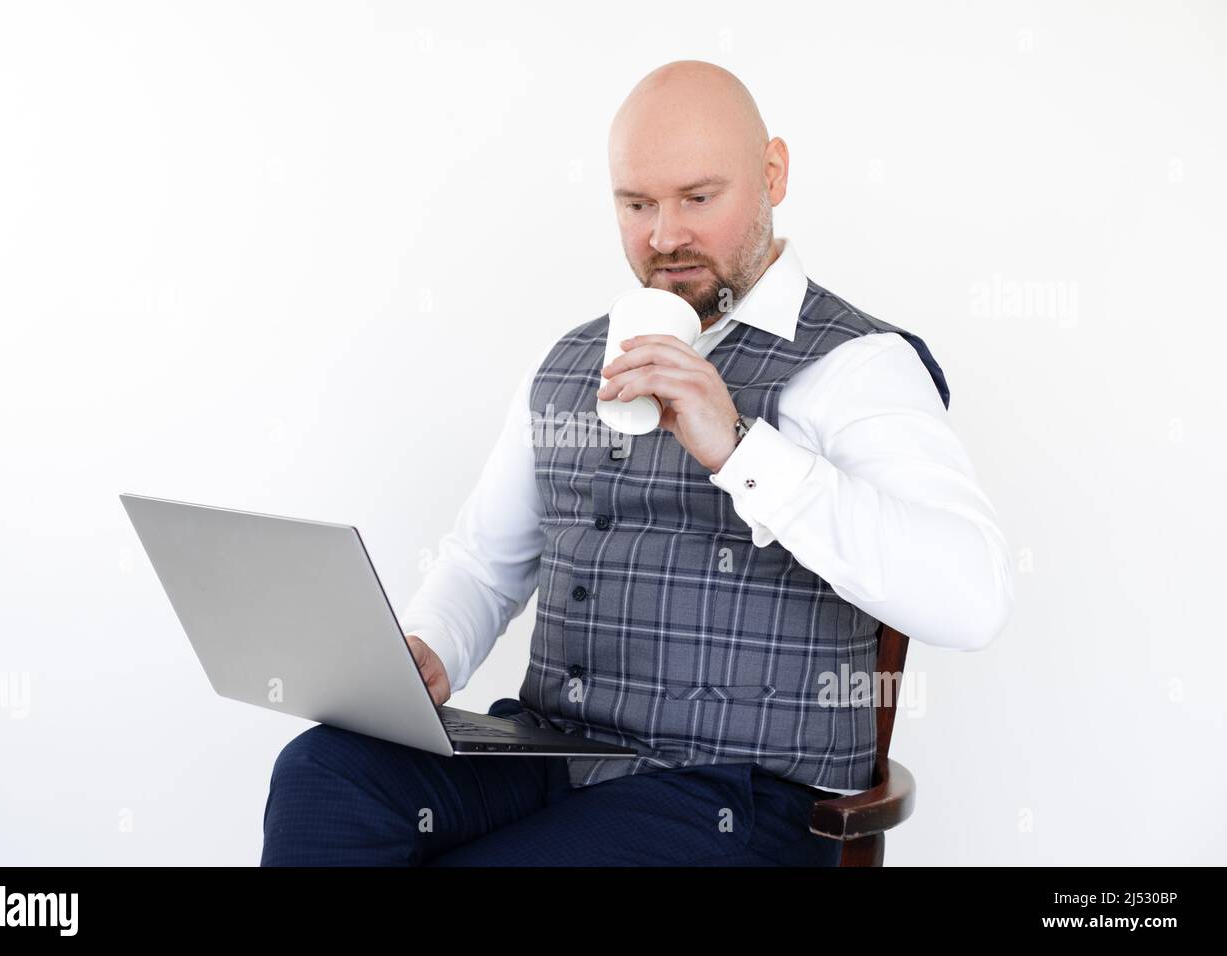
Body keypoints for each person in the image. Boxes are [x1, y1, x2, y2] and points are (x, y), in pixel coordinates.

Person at [260, 59, 1013, 867]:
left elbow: (972, 599)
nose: (664, 237)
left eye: (697, 198)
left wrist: (740, 448)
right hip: (551, 754)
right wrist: (430, 646)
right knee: (323, 777)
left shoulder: (858, 365)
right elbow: (484, 563)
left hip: (735, 795)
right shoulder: (570, 359)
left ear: (772, 175)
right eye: (637, 204)